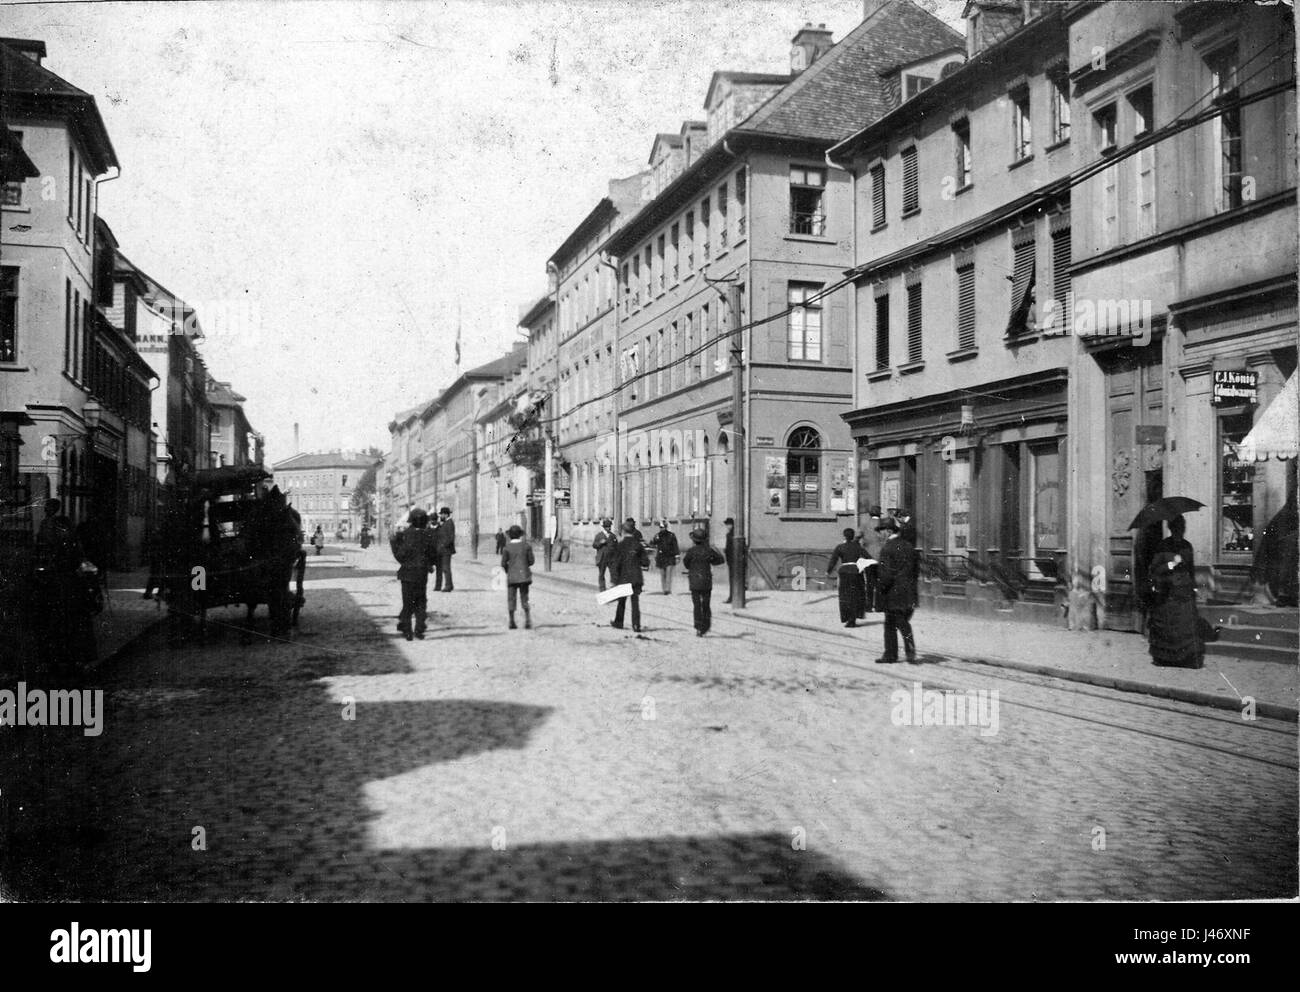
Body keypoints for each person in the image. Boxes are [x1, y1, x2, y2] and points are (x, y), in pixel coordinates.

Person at [32, 498, 95, 671]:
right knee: (62, 621)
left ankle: (63, 657)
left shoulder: (55, 527)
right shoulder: (49, 525)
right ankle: (65, 657)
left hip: (63, 582)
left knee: (62, 620)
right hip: (63, 582)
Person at [1146, 515, 1203, 668]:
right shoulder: (1163, 546)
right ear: (1171, 529)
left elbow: (1191, 569)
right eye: (1177, 528)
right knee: (1168, 626)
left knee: (1185, 625)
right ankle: (1166, 659)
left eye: (1182, 528)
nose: (1180, 531)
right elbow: (1154, 569)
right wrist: (1171, 564)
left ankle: (1185, 659)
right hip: (1168, 593)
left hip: (1184, 592)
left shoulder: (1187, 546)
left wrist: (1195, 586)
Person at [875, 515, 918, 664]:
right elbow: (916, 571)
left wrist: (880, 589)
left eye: (880, 531)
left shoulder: (887, 548)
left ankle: (891, 655)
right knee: (901, 622)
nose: (879, 534)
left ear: (887, 531)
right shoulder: (909, 547)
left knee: (891, 624)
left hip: (893, 593)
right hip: (909, 591)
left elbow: (885, 574)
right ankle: (908, 651)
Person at [390, 507, 437, 640]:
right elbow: (433, 554)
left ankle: (407, 631)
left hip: (407, 574)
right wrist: (428, 564)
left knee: (407, 602)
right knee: (421, 601)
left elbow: (400, 556)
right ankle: (419, 629)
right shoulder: (428, 535)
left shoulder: (406, 535)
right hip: (421, 574)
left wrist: (393, 543)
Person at [681, 529, 725, 636]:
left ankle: (698, 626)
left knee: (696, 604)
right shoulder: (708, 550)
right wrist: (716, 550)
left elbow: (686, 563)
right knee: (706, 604)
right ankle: (706, 625)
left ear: (694, 540)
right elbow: (720, 560)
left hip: (694, 581)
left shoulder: (691, 551)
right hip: (706, 580)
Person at [607, 521, 648, 632]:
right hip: (636, 578)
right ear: (633, 531)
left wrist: (614, 579)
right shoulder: (638, 545)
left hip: (624, 578)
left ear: (623, 531)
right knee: (635, 602)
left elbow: (615, 564)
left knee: (622, 601)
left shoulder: (620, 546)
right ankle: (636, 625)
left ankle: (619, 622)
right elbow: (645, 562)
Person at [827, 527, 868, 628]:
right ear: (853, 535)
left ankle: (847, 618)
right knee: (856, 595)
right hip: (856, 572)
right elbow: (867, 556)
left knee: (845, 596)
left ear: (844, 536)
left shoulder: (840, 547)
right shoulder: (858, 547)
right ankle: (853, 618)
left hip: (844, 572)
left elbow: (833, 560)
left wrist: (828, 571)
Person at [501, 524, 535, 629]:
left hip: (512, 577)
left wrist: (509, 570)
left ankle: (512, 621)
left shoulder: (507, 548)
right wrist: (525, 566)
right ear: (520, 535)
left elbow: (503, 563)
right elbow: (531, 561)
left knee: (511, 598)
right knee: (525, 598)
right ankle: (528, 620)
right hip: (524, 576)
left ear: (510, 536)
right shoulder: (526, 546)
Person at [648, 520, 679, 595]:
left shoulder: (671, 535)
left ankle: (667, 589)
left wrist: (677, 555)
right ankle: (664, 588)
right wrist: (654, 540)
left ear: (666, 527)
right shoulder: (658, 535)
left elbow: (675, 546)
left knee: (668, 573)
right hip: (661, 557)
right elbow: (652, 543)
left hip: (669, 556)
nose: (661, 529)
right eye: (660, 527)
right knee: (663, 574)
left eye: (663, 527)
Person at [433, 506, 456, 592]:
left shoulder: (449, 523)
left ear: (446, 514)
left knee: (446, 568)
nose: (440, 516)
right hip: (444, 550)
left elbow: (450, 538)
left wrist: (442, 545)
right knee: (445, 568)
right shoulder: (446, 522)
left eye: (441, 514)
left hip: (446, 550)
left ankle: (448, 586)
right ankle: (450, 585)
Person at [592, 517, 616, 591]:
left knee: (613, 572)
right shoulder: (599, 535)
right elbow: (594, 545)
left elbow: (616, 546)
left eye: (610, 527)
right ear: (604, 527)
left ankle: (613, 587)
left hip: (611, 558)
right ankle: (602, 589)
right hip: (602, 558)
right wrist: (600, 543)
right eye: (607, 527)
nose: (609, 528)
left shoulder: (612, 536)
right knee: (602, 573)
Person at [722, 518, 736, 604]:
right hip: (732, 560)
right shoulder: (731, 534)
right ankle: (732, 596)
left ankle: (732, 597)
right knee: (733, 579)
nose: (727, 526)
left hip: (732, 560)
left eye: (728, 524)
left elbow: (729, 548)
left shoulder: (731, 535)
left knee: (732, 579)